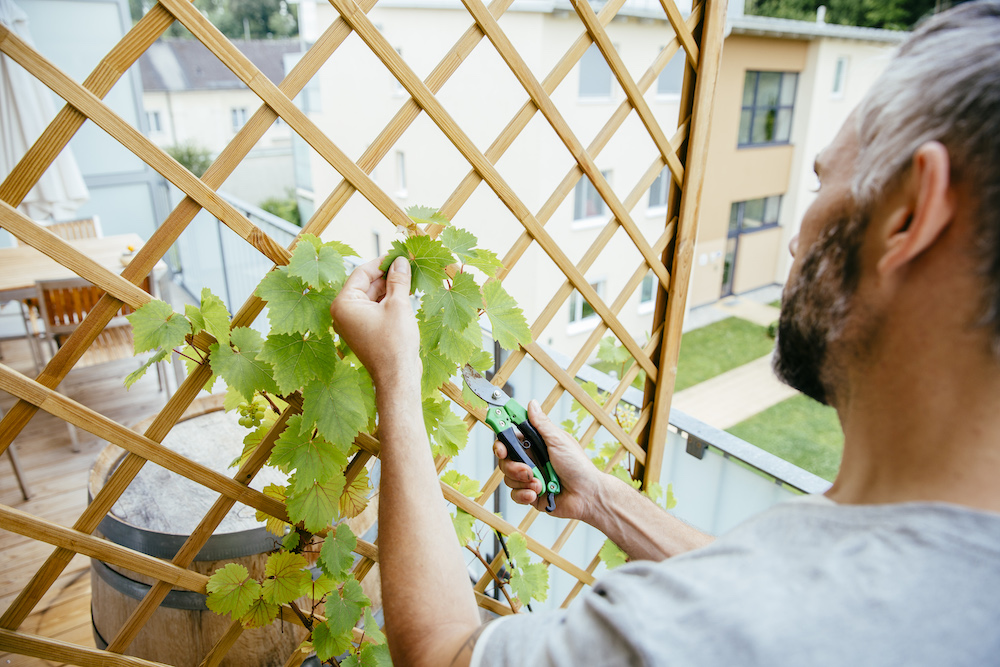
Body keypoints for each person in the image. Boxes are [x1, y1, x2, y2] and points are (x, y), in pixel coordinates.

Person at [329, 3, 1000, 665]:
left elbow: (443, 652)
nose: (797, 235)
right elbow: (766, 587)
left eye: (823, 184)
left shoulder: (690, 628)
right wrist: (602, 498)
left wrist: (397, 377)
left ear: (910, 214)